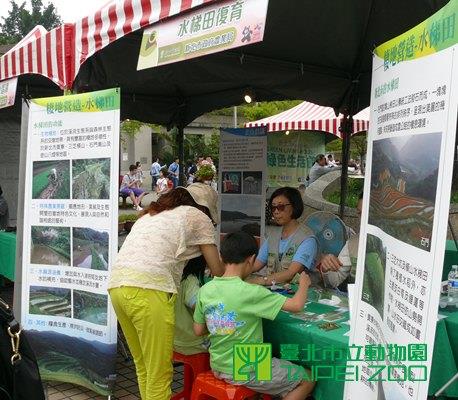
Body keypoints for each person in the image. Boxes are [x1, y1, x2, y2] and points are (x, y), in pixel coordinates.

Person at [109, 185, 224, 400]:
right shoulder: (198, 216)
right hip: (150, 291)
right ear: (205, 207)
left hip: (117, 287)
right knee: (160, 374)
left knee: (143, 366)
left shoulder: (151, 214)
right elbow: (217, 270)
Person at [193, 232, 315, 399]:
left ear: (221, 257)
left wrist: (221, 325)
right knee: (308, 377)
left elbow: (198, 330)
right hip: (247, 367)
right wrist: (304, 284)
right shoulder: (251, 292)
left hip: (218, 364)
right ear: (251, 260)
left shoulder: (205, 290)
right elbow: (296, 305)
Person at [248, 187, 318, 286]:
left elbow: (291, 273)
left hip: (297, 296)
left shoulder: (307, 239)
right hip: (274, 293)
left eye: (281, 207)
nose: (276, 212)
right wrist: (235, 273)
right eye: (273, 207)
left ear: (294, 206)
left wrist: (261, 280)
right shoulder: (273, 236)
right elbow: (256, 265)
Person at [318, 192, 364, 288]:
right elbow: (334, 280)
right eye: (360, 213)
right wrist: (327, 268)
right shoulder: (353, 242)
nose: (362, 219)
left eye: (368, 213)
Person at [174, 255, 209, 355]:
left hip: (174, 340)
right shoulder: (191, 281)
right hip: (193, 343)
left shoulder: (175, 278)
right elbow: (199, 307)